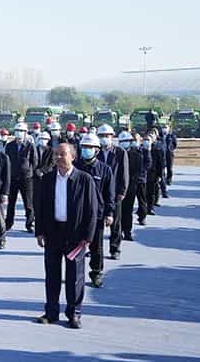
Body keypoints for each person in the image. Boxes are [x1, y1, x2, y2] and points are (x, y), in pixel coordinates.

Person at [34, 143, 99, 329]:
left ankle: (74, 313)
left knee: (75, 277)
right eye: (56, 154)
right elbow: (40, 207)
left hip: (75, 236)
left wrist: (88, 236)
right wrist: (39, 231)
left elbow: (92, 210)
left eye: (62, 154)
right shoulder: (47, 179)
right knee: (52, 275)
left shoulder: (84, 179)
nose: (58, 157)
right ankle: (51, 312)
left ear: (73, 157)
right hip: (53, 233)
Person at [74, 133, 115, 288]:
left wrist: (109, 213)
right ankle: (74, 274)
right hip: (77, 215)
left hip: (96, 215)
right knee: (75, 246)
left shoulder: (104, 170)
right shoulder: (75, 167)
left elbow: (109, 194)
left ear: (97, 150)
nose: (87, 150)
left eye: (90, 147)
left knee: (96, 247)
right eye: (84, 147)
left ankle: (96, 273)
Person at [96, 124, 129, 261]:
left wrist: (122, 191)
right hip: (98, 192)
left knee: (115, 223)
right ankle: (95, 249)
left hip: (114, 193)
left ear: (112, 136)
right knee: (96, 223)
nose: (104, 138)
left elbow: (124, 173)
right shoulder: (95, 151)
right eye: (101, 136)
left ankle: (115, 249)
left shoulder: (120, 152)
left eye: (107, 136)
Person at [3, 122, 37, 233]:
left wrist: (30, 173)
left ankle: (30, 223)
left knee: (28, 203)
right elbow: (6, 161)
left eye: (21, 131)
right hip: (12, 177)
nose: (19, 133)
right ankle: (8, 223)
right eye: (17, 131)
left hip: (26, 178)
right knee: (11, 202)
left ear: (25, 133)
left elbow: (34, 161)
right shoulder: (9, 146)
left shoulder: (30, 146)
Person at [118, 131, 143, 244]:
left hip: (131, 187)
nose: (125, 143)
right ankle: (118, 232)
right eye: (122, 141)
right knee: (118, 211)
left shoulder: (136, 155)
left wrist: (129, 185)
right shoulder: (116, 154)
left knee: (128, 210)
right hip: (118, 188)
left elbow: (137, 172)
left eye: (127, 141)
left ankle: (127, 231)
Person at [137, 132, 154, 226]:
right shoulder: (132, 150)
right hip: (131, 179)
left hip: (141, 179)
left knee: (142, 200)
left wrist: (141, 171)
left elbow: (148, 164)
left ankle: (142, 217)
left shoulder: (145, 151)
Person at [146, 130, 163, 215]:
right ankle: (143, 208)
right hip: (144, 174)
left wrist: (160, 175)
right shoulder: (142, 147)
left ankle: (150, 208)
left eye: (152, 135)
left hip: (153, 173)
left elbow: (160, 163)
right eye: (148, 135)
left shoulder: (157, 148)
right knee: (143, 192)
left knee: (151, 192)